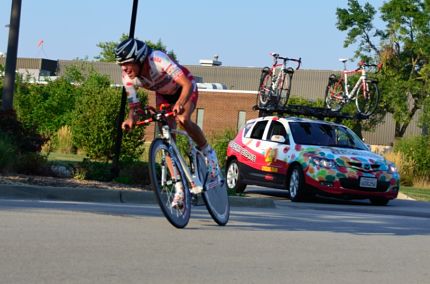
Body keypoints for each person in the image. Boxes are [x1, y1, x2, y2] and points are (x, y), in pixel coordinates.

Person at [115, 38, 220, 208]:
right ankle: (180, 188)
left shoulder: (157, 59)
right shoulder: (127, 77)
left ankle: (209, 153)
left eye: (127, 63)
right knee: (166, 137)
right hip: (163, 95)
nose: (124, 68)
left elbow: (185, 84)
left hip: (184, 88)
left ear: (140, 58)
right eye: (121, 65)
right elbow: (134, 107)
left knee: (183, 119)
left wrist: (180, 103)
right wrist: (130, 119)